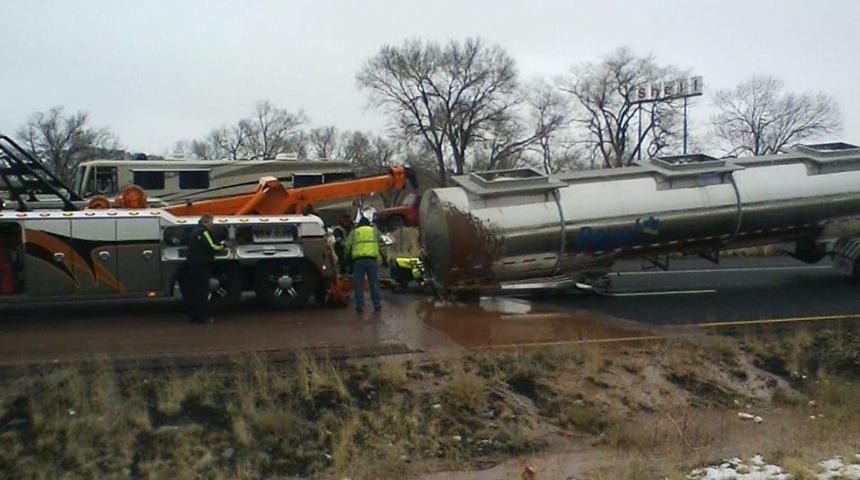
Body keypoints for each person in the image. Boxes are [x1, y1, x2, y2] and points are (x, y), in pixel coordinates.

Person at [182, 214, 225, 324]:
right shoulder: (204, 232)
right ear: (206, 222)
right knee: (203, 292)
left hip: (192, 264)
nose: (212, 225)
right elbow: (213, 246)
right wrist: (223, 246)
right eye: (211, 222)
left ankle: (194, 316)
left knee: (194, 292)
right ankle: (203, 318)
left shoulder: (194, 231)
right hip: (202, 265)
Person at [344, 216, 384, 313]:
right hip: (372, 260)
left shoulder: (354, 232)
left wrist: (345, 257)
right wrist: (384, 256)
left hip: (358, 261)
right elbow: (381, 243)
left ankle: (360, 305)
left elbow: (347, 245)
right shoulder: (374, 231)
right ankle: (377, 303)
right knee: (374, 282)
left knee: (358, 284)